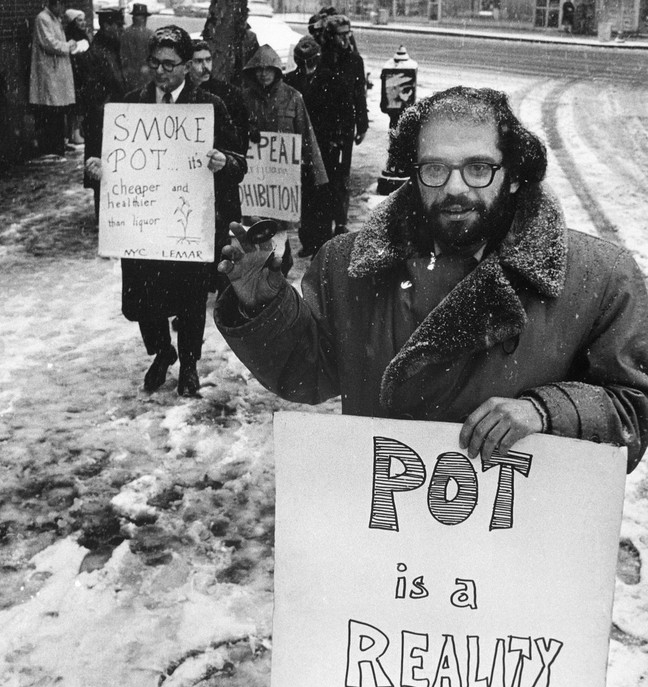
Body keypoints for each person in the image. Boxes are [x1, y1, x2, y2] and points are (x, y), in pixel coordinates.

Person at [214, 86, 648, 472]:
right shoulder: (347, 266)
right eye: (435, 169)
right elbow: (310, 371)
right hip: (392, 526)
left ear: (514, 176)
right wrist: (263, 302)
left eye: (479, 168)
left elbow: (633, 415)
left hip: (513, 543)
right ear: (415, 174)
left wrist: (546, 412)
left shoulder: (597, 278)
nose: (454, 188)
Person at [114, 26, 246, 397]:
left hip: (188, 222)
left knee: (189, 298)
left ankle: (188, 363)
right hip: (142, 221)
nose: (160, 72)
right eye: (154, 63)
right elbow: (112, 158)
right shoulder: (131, 105)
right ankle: (162, 351)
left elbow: (240, 163)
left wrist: (225, 162)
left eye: (169, 65)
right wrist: (98, 166)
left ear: (187, 67)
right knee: (143, 298)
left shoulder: (210, 108)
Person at [241, 44, 328, 264]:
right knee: (254, 228)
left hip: (282, 179)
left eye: (268, 69)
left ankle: (278, 269)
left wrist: (317, 174)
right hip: (253, 178)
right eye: (259, 69)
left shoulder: (293, 97)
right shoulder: (244, 98)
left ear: (277, 71)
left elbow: (306, 134)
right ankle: (260, 269)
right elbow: (235, 133)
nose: (263, 74)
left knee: (279, 233)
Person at [188, 39, 250, 290]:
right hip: (190, 187)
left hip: (222, 188)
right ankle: (194, 300)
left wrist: (226, 160)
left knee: (224, 249)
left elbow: (240, 150)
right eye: (197, 61)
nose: (204, 67)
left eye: (208, 60)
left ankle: (225, 298)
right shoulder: (181, 99)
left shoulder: (228, 95)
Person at [285, 35, 354, 256]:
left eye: (311, 60)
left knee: (324, 194)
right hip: (300, 145)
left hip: (326, 147)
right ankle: (308, 240)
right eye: (302, 61)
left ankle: (322, 243)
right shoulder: (290, 81)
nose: (306, 66)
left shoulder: (333, 80)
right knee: (304, 195)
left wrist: (339, 137)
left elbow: (346, 112)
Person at [320, 14, 368, 234]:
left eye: (348, 33)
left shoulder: (354, 60)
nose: (346, 38)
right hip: (324, 125)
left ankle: (340, 221)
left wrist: (362, 123)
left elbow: (359, 93)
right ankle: (322, 223)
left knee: (342, 176)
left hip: (346, 125)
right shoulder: (322, 59)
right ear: (331, 36)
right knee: (323, 176)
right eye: (341, 34)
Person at [77, 7, 126, 221]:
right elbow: (92, 92)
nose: (121, 29)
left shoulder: (109, 48)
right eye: (118, 25)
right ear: (107, 26)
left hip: (108, 117)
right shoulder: (97, 53)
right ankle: (103, 215)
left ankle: (109, 211)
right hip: (101, 119)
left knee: (109, 165)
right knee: (100, 166)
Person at [29, 0, 78, 160]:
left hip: (57, 72)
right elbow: (49, 43)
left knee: (58, 109)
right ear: (54, 4)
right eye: (61, 5)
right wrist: (68, 46)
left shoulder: (54, 19)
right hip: (49, 72)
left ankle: (58, 145)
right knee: (51, 110)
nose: (63, 9)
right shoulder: (42, 18)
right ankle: (51, 147)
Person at [63, 9, 90, 146]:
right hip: (76, 73)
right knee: (77, 104)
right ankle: (75, 132)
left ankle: (75, 132)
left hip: (81, 72)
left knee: (79, 104)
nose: (83, 23)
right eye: (79, 20)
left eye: (83, 20)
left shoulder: (80, 34)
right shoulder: (73, 36)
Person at [121, 3, 153, 92]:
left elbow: (123, 56)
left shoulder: (125, 33)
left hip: (129, 74)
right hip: (145, 75)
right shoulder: (150, 34)